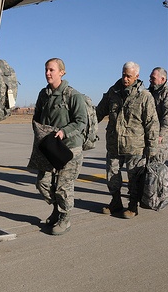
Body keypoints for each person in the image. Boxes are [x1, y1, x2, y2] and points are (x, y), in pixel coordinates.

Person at [96, 61, 159, 218]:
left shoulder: (144, 96)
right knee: (112, 175)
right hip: (114, 144)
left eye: (129, 76)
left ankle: (132, 206)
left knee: (134, 177)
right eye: (123, 75)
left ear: (137, 76)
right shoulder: (113, 92)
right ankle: (116, 202)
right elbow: (99, 112)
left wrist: (152, 148)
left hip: (135, 146)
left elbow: (152, 123)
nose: (125, 79)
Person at [31, 58, 87, 235]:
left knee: (64, 186)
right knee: (43, 183)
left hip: (69, 148)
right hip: (50, 147)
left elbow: (81, 122)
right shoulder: (43, 94)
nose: (48, 73)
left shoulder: (73, 95)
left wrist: (64, 131)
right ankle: (56, 209)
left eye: (51, 70)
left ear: (62, 72)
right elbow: (37, 117)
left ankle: (65, 218)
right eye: (46, 70)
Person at [148, 67, 168, 163]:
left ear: (162, 79)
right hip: (149, 133)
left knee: (156, 165)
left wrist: (161, 135)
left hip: (159, 138)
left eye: (153, 78)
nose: (150, 80)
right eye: (150, 78)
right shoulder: (150, 92)